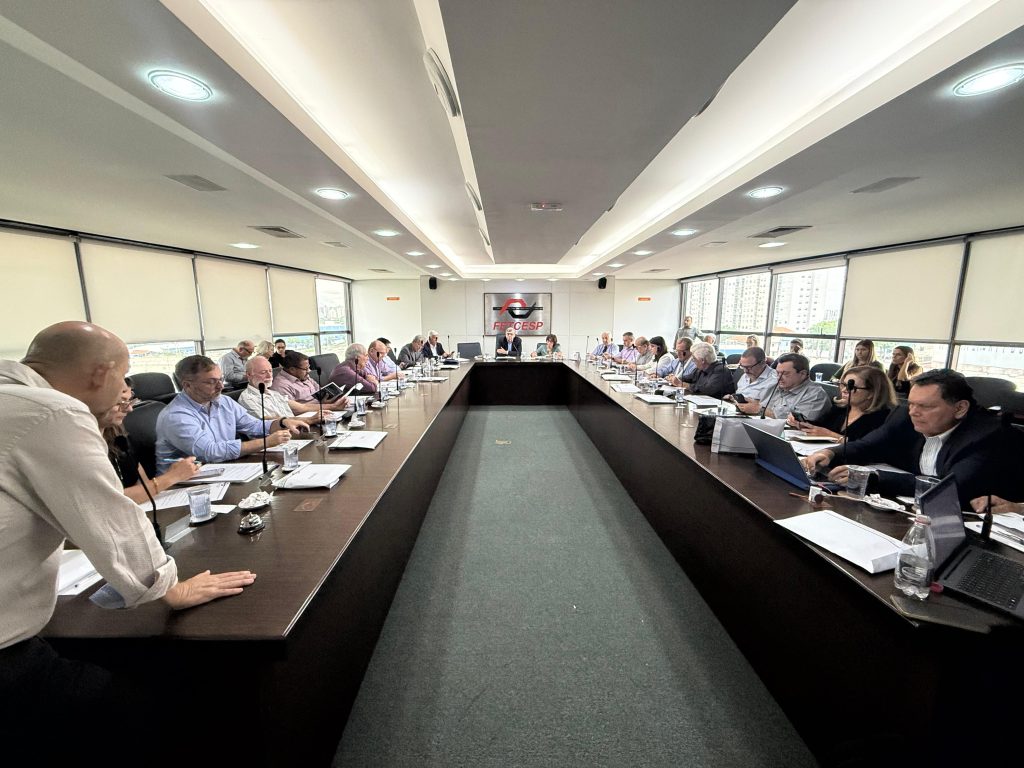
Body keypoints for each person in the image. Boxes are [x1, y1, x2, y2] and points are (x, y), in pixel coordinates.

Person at [1, 322, 256, 763]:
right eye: (123, 376)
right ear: (101, 373)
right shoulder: (53, 412)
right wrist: (169, 588)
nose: (127, 391)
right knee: (138, 715)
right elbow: (107, 515)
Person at [803, 369, 1024, 506]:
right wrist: (829, 453)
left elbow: (950, 487)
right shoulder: (904, 416)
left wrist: (874, 477)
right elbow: (869, 445)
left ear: (960, 408)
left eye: (925, 406)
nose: (913, 412)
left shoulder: (986, 435)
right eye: (911, 404)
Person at [156, 355, 297, 472]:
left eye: (221, 379)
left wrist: (281, 423)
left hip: (222, 470)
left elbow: (253, 425)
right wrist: (266, 442)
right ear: (187, 385)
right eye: (211, 382)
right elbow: (210, 452)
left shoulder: (223, 401)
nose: (221, 386)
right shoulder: (176, 416)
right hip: (182, 485)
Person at [100, 378, 199, 504]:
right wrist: (172, 477)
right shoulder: (84, 444)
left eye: (130, 401)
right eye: (122, 402)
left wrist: (174, 474)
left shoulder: (117, 432)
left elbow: (143, 483)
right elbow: (109, 500)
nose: (130, 409)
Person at [789, 365, 895, 442]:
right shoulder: (840, 409)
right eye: (843, 385)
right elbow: (821, 426)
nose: (844, 390)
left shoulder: (884, 417)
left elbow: (870, 447)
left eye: (851, 387)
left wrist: (832, 435)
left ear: (871, 393)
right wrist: (802, 424)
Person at [734, 352, 830, 421]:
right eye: (777, 373)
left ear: (802, 374)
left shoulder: (815, 395)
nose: (779, 377)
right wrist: (751, 403)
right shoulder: (777, 387)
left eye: (785, 374)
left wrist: (759, 410)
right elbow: (761, 405)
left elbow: (798, 422)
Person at [239, 356, 322, 425]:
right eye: (263, 372)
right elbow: (269, 421)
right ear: (249, 375)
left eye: (270, 371)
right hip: (278, 437)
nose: (269, 376)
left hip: (295, 430)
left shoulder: (274, 393)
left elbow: (303, 407)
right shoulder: (247, 398)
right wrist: (308, 420)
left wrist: (326, 409)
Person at [271, 350, 347, 410]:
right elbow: (294, 410)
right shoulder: (280, 385)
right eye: (305, 369)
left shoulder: (303, 376)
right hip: (307, 416)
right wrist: (326, 405)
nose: (309, 371)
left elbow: (319, 390)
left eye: (309, 367)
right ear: (292, 369)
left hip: (323, 408)